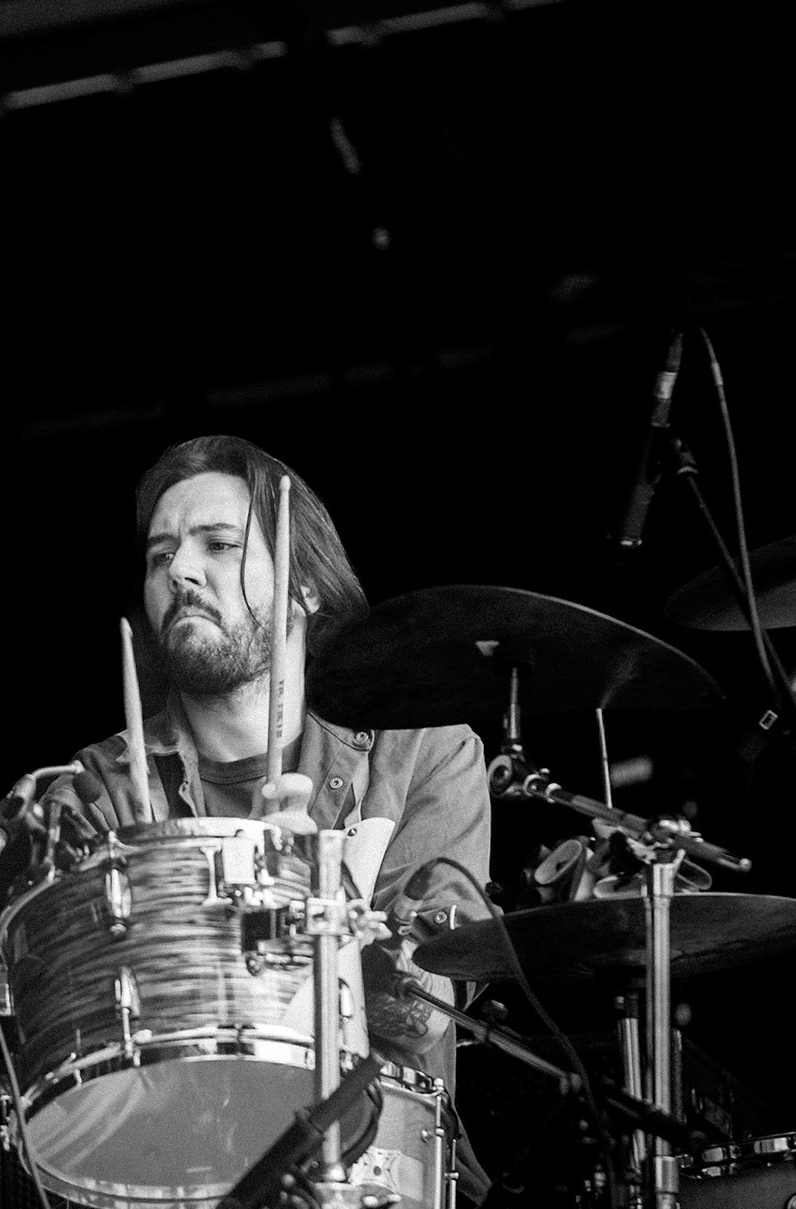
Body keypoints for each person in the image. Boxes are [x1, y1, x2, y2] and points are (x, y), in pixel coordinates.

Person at [41, 431, 495, 1157]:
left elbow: (423, 1014)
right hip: (170, 1192)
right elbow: (81, 1060)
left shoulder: (420, 748)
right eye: (160, 556)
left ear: (305, 585)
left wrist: (315, 908)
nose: (180, 570)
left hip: (382, 1200)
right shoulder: (100, 791)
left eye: (217, 544)